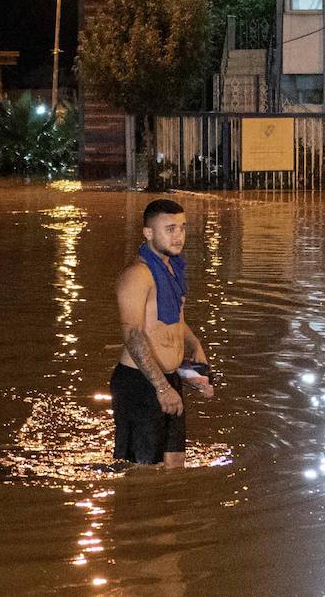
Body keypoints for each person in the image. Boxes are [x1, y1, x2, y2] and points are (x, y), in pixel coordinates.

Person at [110, 199, 214, 468]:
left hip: (169, 379)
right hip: (140, 383)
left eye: (182, 227)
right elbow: (133, 335)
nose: (178, 236)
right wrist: (162, 388)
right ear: (148, 233)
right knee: (142, 473)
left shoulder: (171, 268)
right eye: (169, 229)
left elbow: (172, 321)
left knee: (175, 466)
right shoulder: (137, 275)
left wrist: (194, 346)